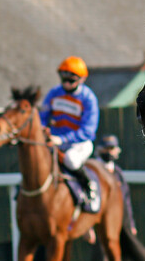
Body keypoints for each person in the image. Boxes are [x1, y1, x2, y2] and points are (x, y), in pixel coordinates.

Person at [40, 56, 100, 202]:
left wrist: (62, 139)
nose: (66, 83)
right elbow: (42, 116)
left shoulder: (88, 98)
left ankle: (88, 184)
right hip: (54, 141)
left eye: (71, 80)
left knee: (71, 161)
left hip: (79, 143)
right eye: (64, 79)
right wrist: (42, 130)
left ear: (81, 79)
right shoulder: (54, 93)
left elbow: (88, 131)